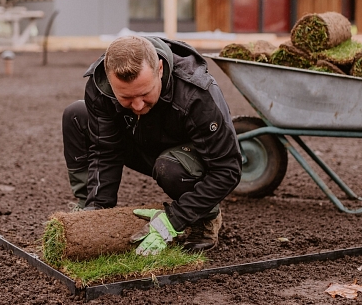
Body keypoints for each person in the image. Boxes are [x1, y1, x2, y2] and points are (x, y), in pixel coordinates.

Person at [62, 35, 241, 254]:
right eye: (126, 97)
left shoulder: (196, 94)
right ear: (110, 80)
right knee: (76, 115)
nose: (137, 105)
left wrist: (174, 219)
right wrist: (96, 217)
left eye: (145, 93)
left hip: (186, 161)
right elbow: (105, 151)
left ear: (160, 69)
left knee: (169, 167)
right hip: (143, 143)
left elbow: (228, 169)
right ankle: (87, 207)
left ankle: (205, 218)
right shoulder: (100, 88)